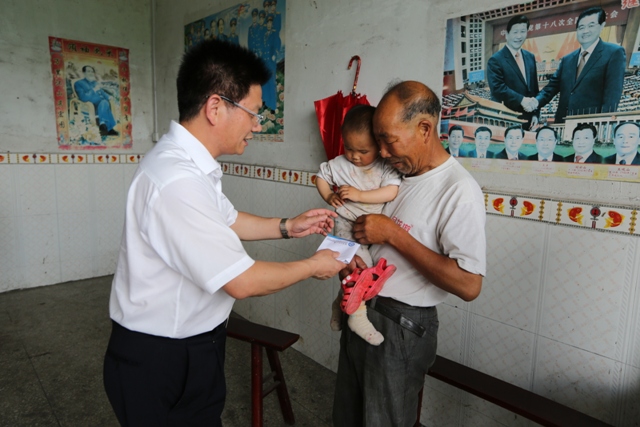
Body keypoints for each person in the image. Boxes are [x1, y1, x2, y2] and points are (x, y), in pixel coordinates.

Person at [103, 39, 345, 427]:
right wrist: (314, 265)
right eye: (253, 113)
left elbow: (229, 220)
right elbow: (242, 282)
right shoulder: (177, 180)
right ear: (215, 107)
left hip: (188, 344)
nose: (257, 125)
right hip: (163, 358)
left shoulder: (190, 166)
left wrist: (288, 226)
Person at [333, 81, 486, 426]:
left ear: (424, 129)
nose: (382, 151)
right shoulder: (395, 175)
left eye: (388, 140)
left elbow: (469, 284)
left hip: (401, 327)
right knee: (347, 416)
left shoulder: (459, 190)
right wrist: (351, 262)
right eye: (378, 140)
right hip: (362, 311)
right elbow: (370, 237)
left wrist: (392, 234)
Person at [316, 105, 402, 346]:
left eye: (363, 151)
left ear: (378, 145)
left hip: (372, 229)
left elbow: (391, 191)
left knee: (362, 271)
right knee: (362, 271)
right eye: (349, 148)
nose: (354, 156)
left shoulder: (383, 166)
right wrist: (328, 196)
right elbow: (321, 177)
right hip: (345, 224)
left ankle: (341, 302)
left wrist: (360, 195)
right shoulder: (340, 164)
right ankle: (358, 317)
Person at [535, 7, 626, 124]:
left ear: (602, 26)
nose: (585, 31)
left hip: (590, 126)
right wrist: (535, 102)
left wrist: (602, 124)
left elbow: (612, 96)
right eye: (581, 27)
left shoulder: (614, 53)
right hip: (563, 124)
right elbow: (550, 88)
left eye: (591, 25)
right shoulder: (567, 59)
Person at [486, 15, 540, 130]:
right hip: (506, 119)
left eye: (523, 32)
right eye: (515, 32)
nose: (519, 36)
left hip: (528, 120)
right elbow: (497, 88)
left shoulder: (530, 57)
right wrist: (521, 100)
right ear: (506, 34)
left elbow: (534, 89)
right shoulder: (495, 60)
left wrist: (535, 113)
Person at [73, 65, 118, 137]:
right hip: (90, 106)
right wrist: (93, 90)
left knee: (104, 102)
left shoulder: (95, 82)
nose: (91, 73)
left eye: (92, 72)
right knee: (104, 103)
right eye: (88, 71)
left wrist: (108, 97)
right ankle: (109, 129)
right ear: (84, 73)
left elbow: (102, 92)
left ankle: (103, 125)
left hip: (102, 105)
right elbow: (83, 97)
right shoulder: (78, 83)